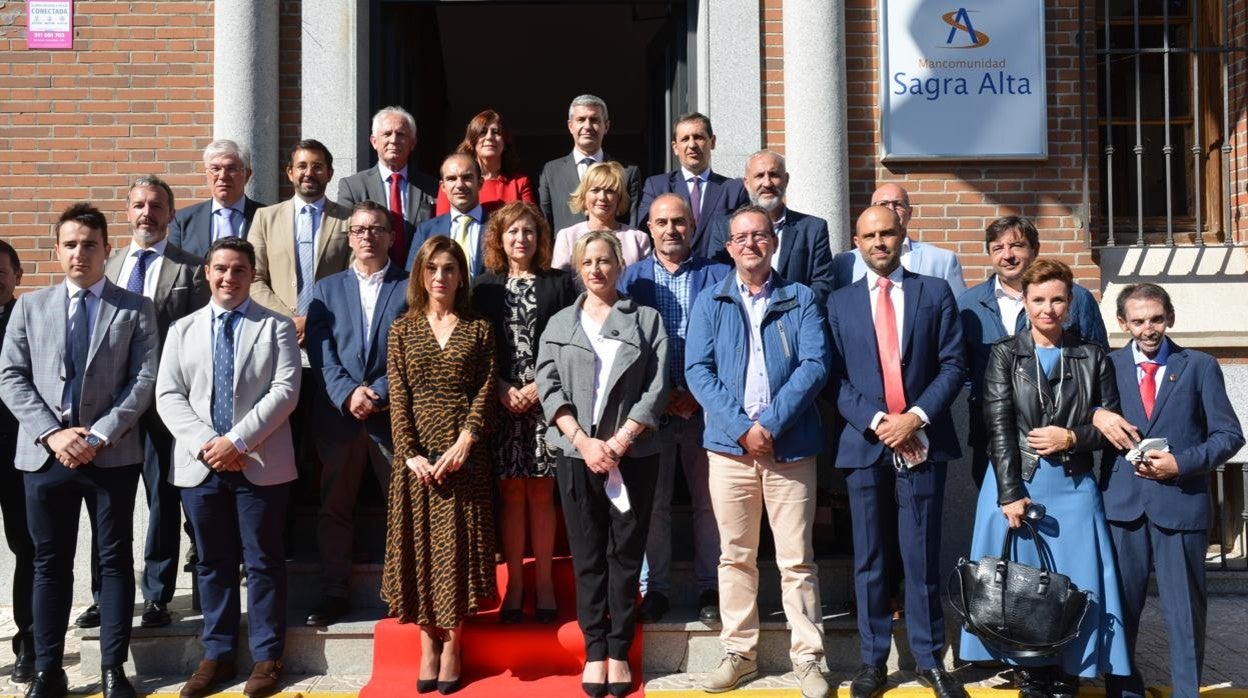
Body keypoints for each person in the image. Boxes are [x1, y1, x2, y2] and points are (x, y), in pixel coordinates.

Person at [0, 203, 159, 698]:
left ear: (106, 251)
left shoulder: (135, 308)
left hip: (110, 455)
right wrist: (53, 433)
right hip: (45, 458)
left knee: (113, 562)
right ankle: (48, 669)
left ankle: (114, 667)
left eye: (90, 244)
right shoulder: (30, 307)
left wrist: (98, 434)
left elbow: (144, 379)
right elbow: (11, 377)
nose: (79, 253)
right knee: (50, 562)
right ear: (56, 251)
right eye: (70, 244)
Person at [957, 258, 1130, 697]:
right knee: (1019, 583)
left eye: (1057, 299)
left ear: (1070, 303)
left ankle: (1068, 670)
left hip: (1072, 486)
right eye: (1038, 300)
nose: (1048, 309)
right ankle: (1030, 672)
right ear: (1026, 304)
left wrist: (1071, 436)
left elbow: (1112, 428)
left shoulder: (1092, 356)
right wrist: (1010, 493)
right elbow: (998, 426)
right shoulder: (1003, 353)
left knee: (1077, 580)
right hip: (1017, 482)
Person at [685, 205, 830, 698]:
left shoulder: (801, 298)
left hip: (790, 448)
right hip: (730, 450)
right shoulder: (710, 300)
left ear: (774, 241)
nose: (750, 243)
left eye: (759, 235)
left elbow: (815, 364)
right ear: (728, 247)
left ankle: (808, 659)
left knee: (797, 560)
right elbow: (698, 372)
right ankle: (739, 654)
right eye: (740, 237)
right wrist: (744, 429)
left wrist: (770, 424)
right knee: (735, 557)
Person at [826, 206, 966, 698]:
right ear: (857, 242)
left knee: (921, 555)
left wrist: (916, 418)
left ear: (903, 236)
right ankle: (872, 662)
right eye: (869, 235)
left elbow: (953, 365)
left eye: (887, 233)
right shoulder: (838, 302)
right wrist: (881, 422)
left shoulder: (935, 292)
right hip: (866, 444)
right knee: (870, 559)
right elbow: (834, 378)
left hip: (923, 442)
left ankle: (930, 661)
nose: (879, 242)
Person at [156, 236, 302, 698]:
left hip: (259, 461)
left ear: (251, 275)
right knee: (213, 563)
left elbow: (285, 390)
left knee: (263, 562)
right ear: (206, 272)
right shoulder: (182, 330)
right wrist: (208, 445)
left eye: (239, 270)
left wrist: (237, 441)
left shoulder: (275, 327)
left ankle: (266, 656)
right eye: (220, 268)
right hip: (202, 466)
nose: (228, 277)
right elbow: (169, 395)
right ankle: (216, 654)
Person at [1094, 283, 1244, 698]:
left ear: (1170, 318)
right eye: (1138, 320)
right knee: (1120, 609)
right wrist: (1096, 413)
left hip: (1180, 503)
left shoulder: (1198, 366)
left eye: (1156, 318)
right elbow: (1081, 412)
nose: (1148, 328)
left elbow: (1229, 435)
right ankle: (1123, 690)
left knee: (1185, 612)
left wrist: (1183, 463)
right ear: (1123, 323)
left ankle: (1185, 691)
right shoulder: (1107, 365)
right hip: (1124, 507)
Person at [537, 230, 669, 697]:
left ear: (620, 265)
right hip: (577, 456)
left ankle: (619, 650)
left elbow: (657, 386)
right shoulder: (558, 324)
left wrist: (620, 440)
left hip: (633, 455)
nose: (596, 269)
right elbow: (548, 386)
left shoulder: (646, 320)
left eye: (605, 260)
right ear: (577, 268)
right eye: (587, 261)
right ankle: (595, 650)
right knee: (588, 554)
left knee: (626, 553)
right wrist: (584, 441)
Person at [382, 235, 498, 695]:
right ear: (420, 274)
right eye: (432, 268)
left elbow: (487, 390)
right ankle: (426, 641)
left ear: (461, 276)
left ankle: (452, 644)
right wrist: (409, 453)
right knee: (421, 554)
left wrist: (466, 440)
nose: (440, 277)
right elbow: (398, 396)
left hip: (463, 458)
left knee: (456, 554)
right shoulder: (402, 329)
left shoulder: (479, 328)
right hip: (416, 463)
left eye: (449, 269)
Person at [98, 175, 209, 630]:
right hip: (111, 404)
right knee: (106, 499)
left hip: (165, 404)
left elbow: (199, 337)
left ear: (171, 213)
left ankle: (158, 595)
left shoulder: (190, 268)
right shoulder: (110, 264)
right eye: (140, 205)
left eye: (157, 206)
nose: (148, 213)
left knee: (163, 497)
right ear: (128, 212)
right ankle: (103, 596)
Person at [619, 193, 730, 625]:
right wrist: (663, 395)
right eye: (662, 222)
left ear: (692, 226)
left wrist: (697, 394)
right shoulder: (631, 280)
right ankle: (657, 590)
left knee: (709, 504)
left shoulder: (719, 275)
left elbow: (729, 343)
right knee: (656, 506)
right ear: (649, 228)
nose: (671, 230)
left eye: (679, 222)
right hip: (651, 412)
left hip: (707, 411)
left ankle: (710, 589)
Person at [303, 201, 410, 627]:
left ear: (391, 236)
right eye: (359, 229)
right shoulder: (326, 289)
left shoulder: (409, 286)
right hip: (339, 416)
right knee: (335, 506)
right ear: (349, 237)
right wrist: (348, 395)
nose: (367, 236)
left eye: (376, 229)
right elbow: (320, 350)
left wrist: (378, 392)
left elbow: (412, 348)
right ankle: (334, 591)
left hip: (392, 416)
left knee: (400, 505)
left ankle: (403, 589)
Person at [471, 201, 577, 625]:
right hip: (501, 402)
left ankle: (546, 584)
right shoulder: (484, 287)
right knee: (511, 493)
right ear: (500, 238)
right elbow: (477, 348)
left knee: (542, 491)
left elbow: (570, 342)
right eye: (513, 231)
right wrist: (499, 386)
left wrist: (540, 386)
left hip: (546, 403)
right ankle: (515, 584)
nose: (521, 239)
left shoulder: (559, 284)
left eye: (529, 232)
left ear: (540, 238)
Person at [248, 138, 352, 541]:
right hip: (280, 344)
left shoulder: (347, 221)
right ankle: (281, 534)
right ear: (290, 173)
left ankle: (325, 532)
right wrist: (290, 318)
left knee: (326, 445)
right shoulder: (266, 219)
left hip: (330, 347)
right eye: (302, 166)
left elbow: (350, 280)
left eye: (319, 166)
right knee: (280, 440)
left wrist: (314, 319)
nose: (310, 173)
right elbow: (253, 278)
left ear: (329, 172)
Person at [959, 215, 1108, 488]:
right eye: (997, 248)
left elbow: (1099, 362)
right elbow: (963, 368)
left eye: (1017, 245)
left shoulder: (1078, 299)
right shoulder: (969, 304)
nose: (1007, 255)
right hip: (993, 433)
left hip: (1061, 435)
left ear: (1035, 249)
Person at [707, 150, 835, 303]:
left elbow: (823, 285)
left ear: (786, 180)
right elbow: (717, 280)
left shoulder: (813, 229)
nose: (767, 183)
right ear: (747, 183)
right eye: (759, 176)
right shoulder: (724, 227)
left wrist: (791, 312)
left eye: (774, 175)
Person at [338, 106, 439, 267]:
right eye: (387, 134)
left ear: (413, 142)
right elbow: (345, 239)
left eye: (401, 134)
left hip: (419, 276)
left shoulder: (433, 187)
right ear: (374, 141)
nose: (394, 140)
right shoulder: (352, 187)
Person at [636, 113, 748, 257]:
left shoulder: (734, 189)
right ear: (675, 147)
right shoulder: (657, 187)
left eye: (698, 137)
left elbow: (744, 234)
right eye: (685, 139)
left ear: (712, 142)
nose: (692, 145)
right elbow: (644, 234)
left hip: (720, 273)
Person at [0, 240, 35, 684]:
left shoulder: (29, 320)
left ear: (17, 275)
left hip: (16, 455)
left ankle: (28, 641)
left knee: (28, 548)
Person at [831, 183, 966, 299]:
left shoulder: (942, 260)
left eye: (898, 204)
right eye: (883, 204)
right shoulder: (846, 262)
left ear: (910, 212)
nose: (890, 210)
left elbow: (959, 308)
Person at [538, 94, 642, 232]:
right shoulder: (551, 171)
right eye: (581, 120)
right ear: (570, 126)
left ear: (606, 126)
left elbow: (633, 225)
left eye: (594, 120)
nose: (587, 126)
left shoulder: (627, 171)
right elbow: (544, 223)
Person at [169, 139, 268, 260]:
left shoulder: (267, 217)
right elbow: (173, 268)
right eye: (215, 169)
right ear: (207, 174)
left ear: (247, 175)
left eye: (231, 169)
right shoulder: (182, 220)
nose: (222, 176)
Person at [550, 161, 652, 272]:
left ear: (619, 198)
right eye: (595, 190)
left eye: (610, 191)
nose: (602, 197)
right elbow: (558, 285)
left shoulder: (638, 239)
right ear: (584, 196)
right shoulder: (567, 237)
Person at [436, 109, 536, 216]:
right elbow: (443, 225)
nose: (489, 137)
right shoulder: (454, 183)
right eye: (483, 132)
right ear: (472, 141)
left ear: (505, 142)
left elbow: (531, 224)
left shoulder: (520, 183)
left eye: (496, 132)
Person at [407, 154, 489, 281]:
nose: (460, 185)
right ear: (443, 186)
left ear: (480, 183)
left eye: (467, 178)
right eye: (451, 179)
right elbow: (413, 279)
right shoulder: (426, 231)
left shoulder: (500, 226)